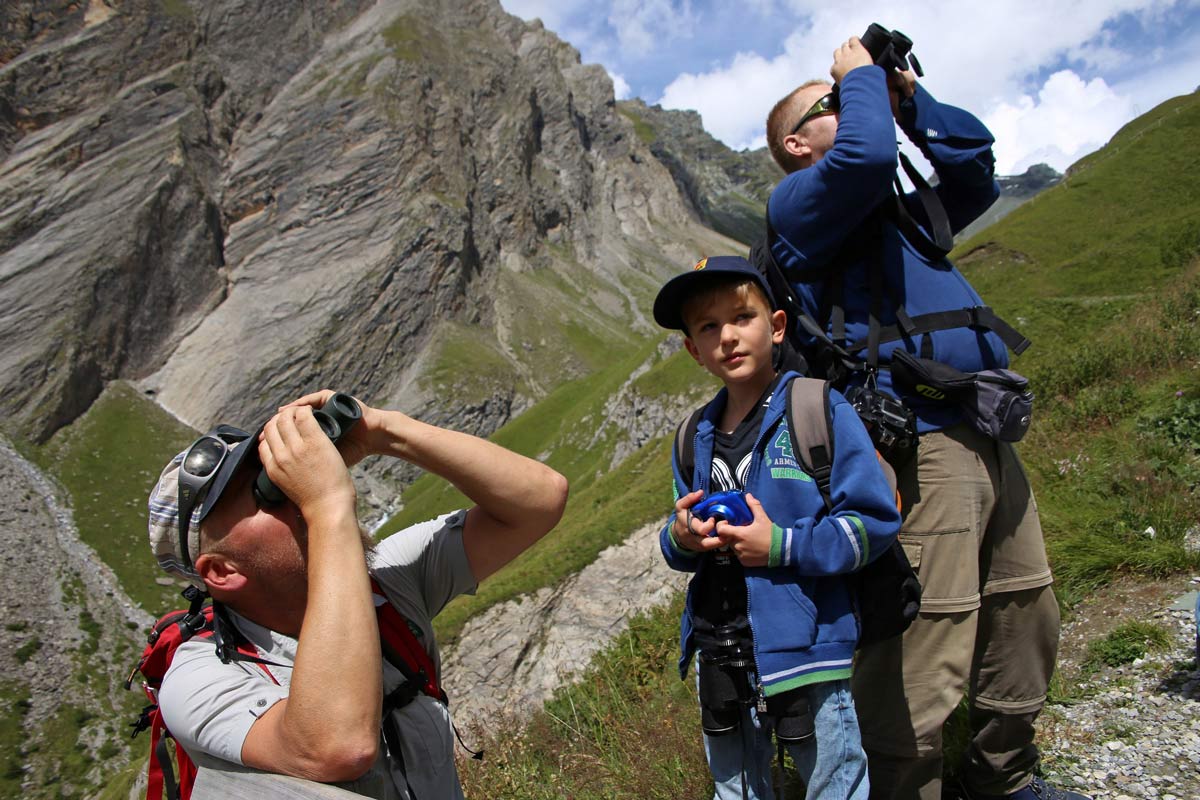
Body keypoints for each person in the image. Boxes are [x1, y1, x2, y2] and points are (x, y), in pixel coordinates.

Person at [763, 37, 1085, 800]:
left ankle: (1003, 779)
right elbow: (867, 158)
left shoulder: (897, 212)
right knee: (930, 638)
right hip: (918, 445)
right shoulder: (798, 208)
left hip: (983, 429)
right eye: (829, 104)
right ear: (794, 143)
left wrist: (906, 97)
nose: (848, 105)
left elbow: (973, 159)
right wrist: (860, 78)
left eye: (847, 99)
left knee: (1025, 609)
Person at [146, 390, 569, 798]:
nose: (289, 489)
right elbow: (338, 745)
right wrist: (327, 505)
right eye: (264, 494)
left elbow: (539, 500)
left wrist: (383, 431)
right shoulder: (197, 680)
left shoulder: (385, 585)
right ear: (223, 571)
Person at [652, 255, 901, 800]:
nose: (728, 337)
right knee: (734, 790)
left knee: (834, 785)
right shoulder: (691, 434)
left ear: (777, 326)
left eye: (742, 317)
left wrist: (781, 546)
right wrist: (683, 537)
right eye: (708, 327)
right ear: (694, 350)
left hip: (808, 649)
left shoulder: (817, 408)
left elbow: (874, 522)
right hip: (719, 647)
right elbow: (675, 538)